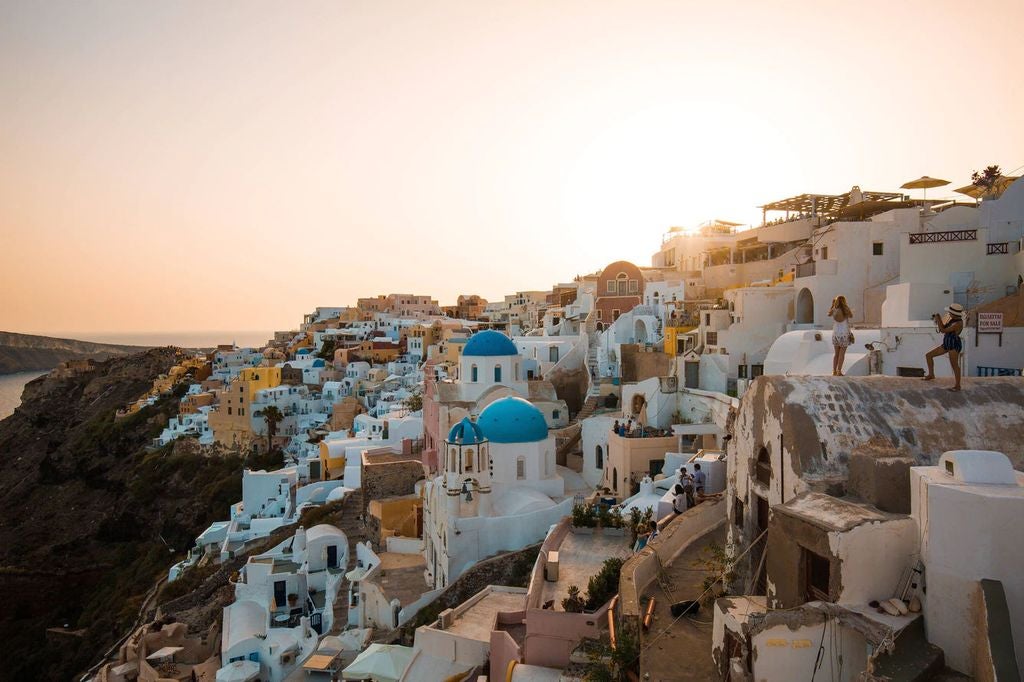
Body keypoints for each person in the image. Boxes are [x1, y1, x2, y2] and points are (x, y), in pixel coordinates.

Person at [924, 304, 965, 391]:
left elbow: (943, 330)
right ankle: (931, 374)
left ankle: (958, 385)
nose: (949, 313)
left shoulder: (958, 323)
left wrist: (938, 319)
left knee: (954, 365)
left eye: (950, 312)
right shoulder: (952, 320)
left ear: (955, 314)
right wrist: (939, 320)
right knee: (928, 355)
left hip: (953, 345)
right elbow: (943, 327)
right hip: (947, 343)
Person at [828, 295, 854, 376]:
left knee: (836, 354)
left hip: (836, 334)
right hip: (844, 334)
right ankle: (839, 371)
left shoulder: (834, 310)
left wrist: (833, 305)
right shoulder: (845, 310)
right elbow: (851, 316)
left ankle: (834, 371)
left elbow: (829, 314)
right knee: (842, 354)